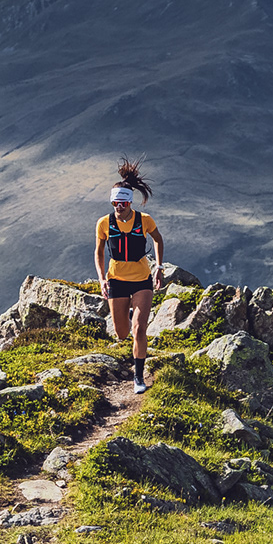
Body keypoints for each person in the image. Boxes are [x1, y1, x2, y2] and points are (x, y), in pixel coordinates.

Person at [93, 160, 164, 394]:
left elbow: (158, 239)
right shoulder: (104, 223)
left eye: (122, 202)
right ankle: (131, 311)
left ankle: (138, 377)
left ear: (129, 202)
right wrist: (102, 279)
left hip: (142, 279)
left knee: (139, 330)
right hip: (117, 281)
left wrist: (159, 267)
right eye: (115, 202)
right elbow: (99, 252)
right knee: (122, 333)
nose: (118, 206)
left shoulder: (144, 220)